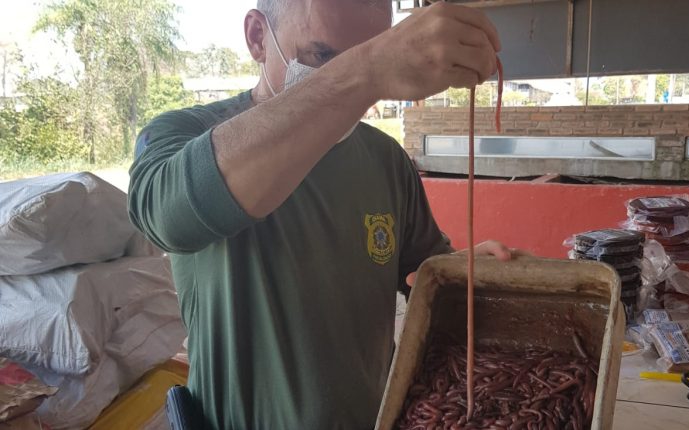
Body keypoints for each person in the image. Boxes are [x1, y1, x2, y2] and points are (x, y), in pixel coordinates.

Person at [128, 1, 512, 428]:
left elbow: (426, 275)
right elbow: (166, 214)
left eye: (371, 51)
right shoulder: (183, 135)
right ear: (258, 38)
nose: (355, 83)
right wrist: (365, 70)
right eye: (324, 58)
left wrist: (466, 270)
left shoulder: (385, 160)